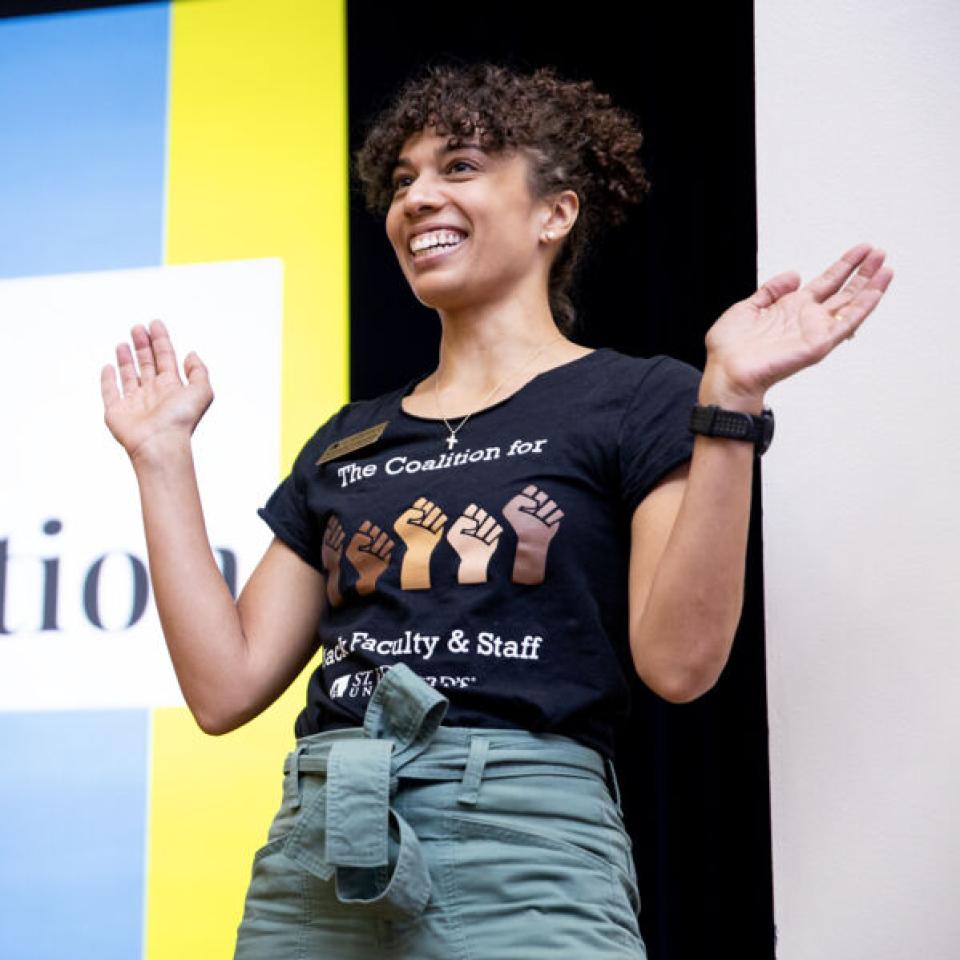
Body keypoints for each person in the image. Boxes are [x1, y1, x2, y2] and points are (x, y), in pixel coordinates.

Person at [100, 61, 893, 959]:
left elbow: (678, 664)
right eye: (402, 180)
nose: (416, 198)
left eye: (460, 167)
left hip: (525, 842)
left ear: (555, 213)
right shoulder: (345, 440)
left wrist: (733, 400)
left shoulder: (637, 398)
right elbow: (223, 688)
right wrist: (161, 458)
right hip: (317, 846)